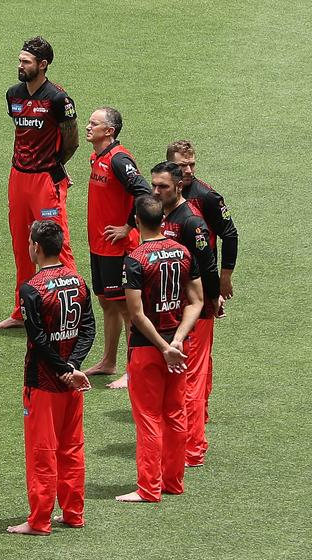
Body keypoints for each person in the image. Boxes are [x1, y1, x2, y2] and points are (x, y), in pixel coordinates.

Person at [7, 220, 95, 536]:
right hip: (72, 383)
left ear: (37, 247)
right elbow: (87, 329)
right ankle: (73, 513)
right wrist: (73, 367)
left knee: (42, 451)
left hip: (43, 383)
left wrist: (62, 369)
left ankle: (39, 520)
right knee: (72, 447)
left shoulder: (31, 289)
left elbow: (38, 340)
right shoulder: (78, 281)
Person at [117, 196, 203, 503]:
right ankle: (173, 482)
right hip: (180, 348)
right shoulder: (182, 252)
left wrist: (165, 346)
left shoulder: (135, 259)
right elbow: (197, 301)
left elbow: (137, 314)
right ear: (162, 221)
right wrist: (177, 340)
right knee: (176, 414)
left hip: (147, 349)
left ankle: (149, 488)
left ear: (138, 222)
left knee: (149, 418)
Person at [0, 37, 78, 330]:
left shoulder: (58, 99)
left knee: (57, 244)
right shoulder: (13, 95)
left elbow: (71, 141)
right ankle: (22, 311)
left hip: (45, 180)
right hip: (18, 178)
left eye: (26, 62)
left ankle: (68, 306)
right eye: (19, 60)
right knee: (22, 245)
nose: (20, 65)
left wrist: (54, 165)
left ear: (42, 65)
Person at [166, 139, 237, 448]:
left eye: (192, 163)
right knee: (196, 362)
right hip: (176, 291)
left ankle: (193, 439)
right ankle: (197, 417)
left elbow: (230, 235)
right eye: (183, 165)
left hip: (199, 292)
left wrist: (222, 282)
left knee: (193, 366)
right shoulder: (164, 196)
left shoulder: (206, 197)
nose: (189, 170)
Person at [149, 162, 220, 468]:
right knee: (185, 377)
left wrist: (212, 301)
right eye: (154, 185)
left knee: (192, 376)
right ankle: (184, 442)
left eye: (162, 186)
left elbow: (208, 265)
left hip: (195, 311)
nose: (155, 191)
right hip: (171, 310)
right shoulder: (162, 215)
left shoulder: (191, 222)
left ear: (178, 186)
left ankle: (193, 448)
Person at [80, 107, 151, 389]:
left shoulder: (120, 159)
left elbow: (143, 191)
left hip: (118, 247)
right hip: (100, 246)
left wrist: (128, 227)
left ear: (109, 131)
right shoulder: (97, 157)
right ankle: (108, 361)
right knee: (107, 303)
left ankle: (133, 369)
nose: (87, 126)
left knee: (125, 308)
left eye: (93, 123)